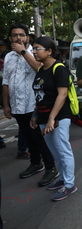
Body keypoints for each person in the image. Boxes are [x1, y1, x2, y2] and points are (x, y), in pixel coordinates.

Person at [2, 24, 57, 186]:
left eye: (22, 35)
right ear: (10, 38)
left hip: (34, 104)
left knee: (38, 138)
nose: (18, 38)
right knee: (27, 136)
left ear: (27, 37)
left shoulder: (35, 52)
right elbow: (6, 81)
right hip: (17, 105)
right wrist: (6, 104)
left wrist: (24, 52)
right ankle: (35, 163)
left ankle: (51, 167)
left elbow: (40, 70)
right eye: (14, 35)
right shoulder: (8, 57)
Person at [31, 36, 77, 201]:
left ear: (49, 51)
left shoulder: (59, 68)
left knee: (64, 151)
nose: (34, 52)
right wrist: (36, 115)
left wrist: (51, 118)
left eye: (37, 48)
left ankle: (70, 185)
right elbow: (39, 95)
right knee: (55, 152)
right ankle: (63, 179)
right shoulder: (40, 70)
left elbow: (62, 94)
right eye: (33, 49)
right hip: (44, 118)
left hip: (58, 118)